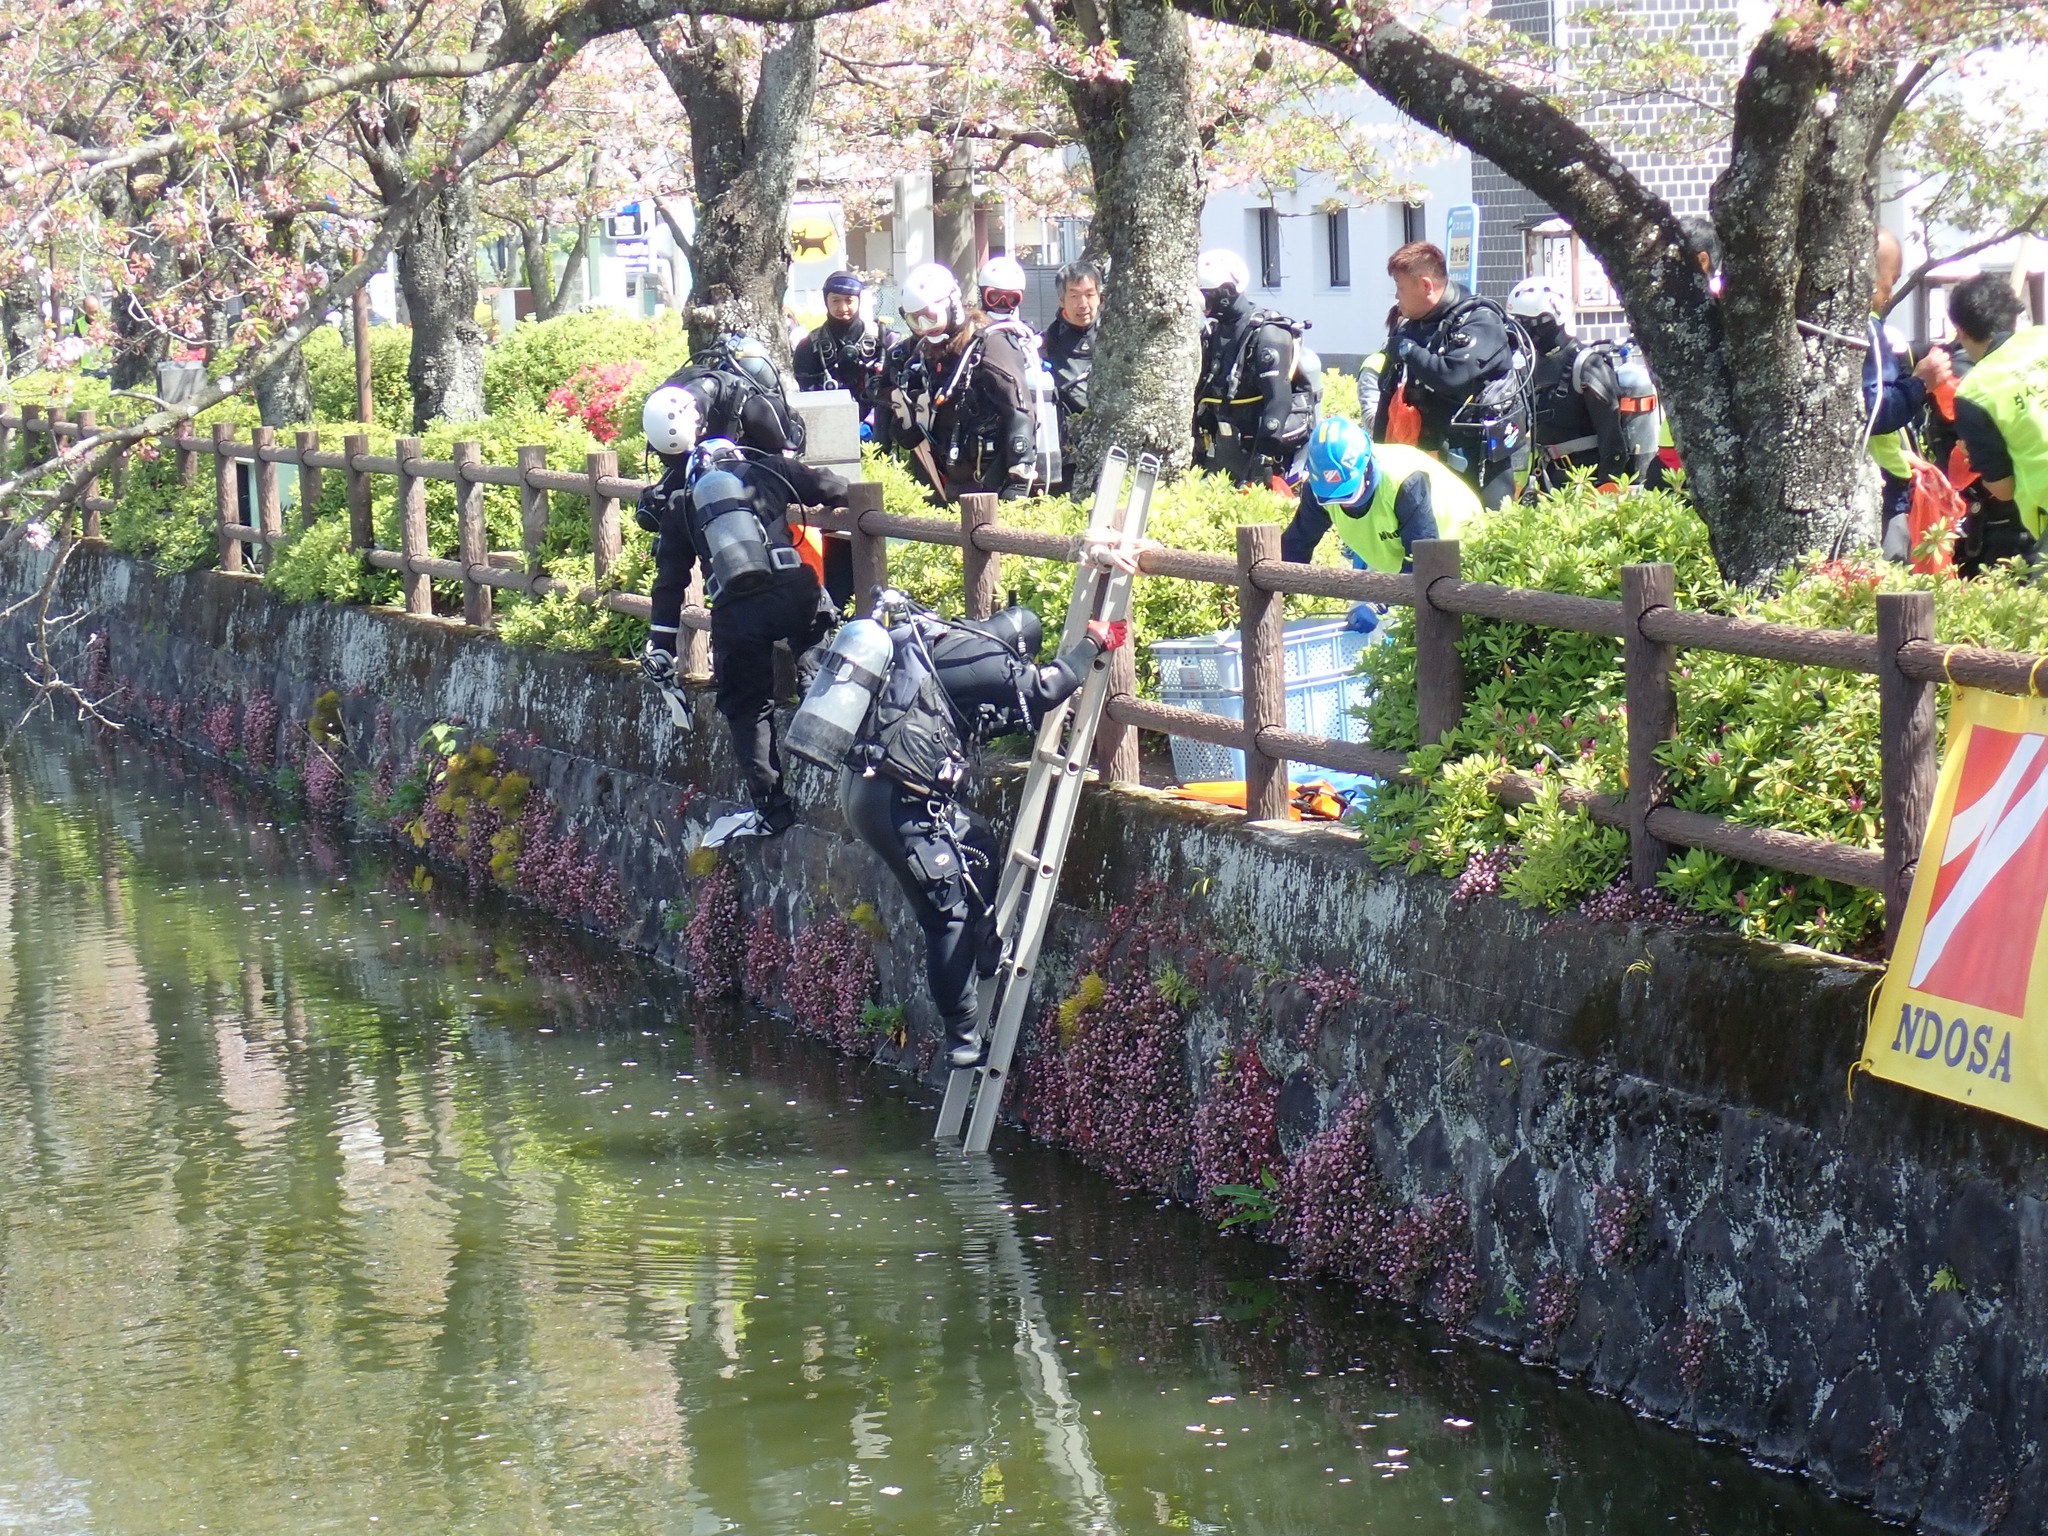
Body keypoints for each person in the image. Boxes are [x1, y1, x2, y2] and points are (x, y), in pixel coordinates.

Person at [838, 599, 1128, 1067]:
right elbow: (1046, 688)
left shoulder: (938, 643)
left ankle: (987, 945)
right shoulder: (991, 660)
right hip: (898, 804)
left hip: (865, 789)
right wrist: (1093, 642)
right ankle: (964, 1038)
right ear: (1018, 647)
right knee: (943, 917)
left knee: (979, 841)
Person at [636, 390, 846, 837]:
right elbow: (833, 487)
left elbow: (669, 583)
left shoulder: (677, 503)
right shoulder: (764, 466)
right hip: (795, 590)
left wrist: (660, 643)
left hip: (737, 612)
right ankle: (838, 748)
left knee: (748, 708)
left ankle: (773, 808)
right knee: (816, 649)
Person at [1282, 417, 1482, 637]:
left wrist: (1377, 605)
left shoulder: (1405, 482)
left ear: (1366, 468)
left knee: (1425, 637)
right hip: (1397, 557)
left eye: (1348, 492)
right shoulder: (1319, 489)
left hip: (1454, 544)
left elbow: (1423, 564)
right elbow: (1296, 544)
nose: (1342, 503)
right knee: (1366, 633)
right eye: (1332, 498)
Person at [1374, 242, 1525, 508]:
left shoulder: (1480, 321)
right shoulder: (1412, 327)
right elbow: (1387, 391)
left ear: (1426, 286)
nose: (1396, 297)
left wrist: (1409, 351)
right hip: (1425, 456)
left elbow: (1452, 375)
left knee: (1485, 529)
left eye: (1400, 288)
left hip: (1478, 460)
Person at [1917, 273, 2047, 569]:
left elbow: (2003, 489)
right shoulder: (2043, 338)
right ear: (2015, 316)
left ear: (1960, 330)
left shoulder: (1976, 390)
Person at [883, 261, 1042, 500]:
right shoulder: (922, 352)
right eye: (915, 321)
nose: (926, 327)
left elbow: (1019, 411)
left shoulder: (990, 343)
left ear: (953, 305)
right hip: (950, 481)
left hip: (993, 484)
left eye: (930, 317)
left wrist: (1017, 480)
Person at [1506, 278, 1650, 491]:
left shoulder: (1587, 364)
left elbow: (1612, 436)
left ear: (1552, 319)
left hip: (1589, 483)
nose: (1524, 331)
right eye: (1518, 322)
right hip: (1548, 479)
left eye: (1530, 323)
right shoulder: (1530, 366)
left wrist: (1606, 486)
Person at [1193, 249, 1319, 486]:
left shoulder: (1268, 335)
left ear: (1227, 291)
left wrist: (1264, 458)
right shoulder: (1212, 334)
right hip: (1224, 449)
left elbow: (1278, 400)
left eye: (1206, 293)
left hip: (1266, 454)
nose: (1202, 301)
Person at [1865, 228, 1927, 546]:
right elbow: (1879, 411)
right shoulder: (1870, 331)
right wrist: (1920, 382)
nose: (1891, 291)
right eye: (1893, 276)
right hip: (1882, 489)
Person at [649, 333, 806, 459]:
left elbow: (786, 457)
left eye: (697, 432)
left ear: (697, 420)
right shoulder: (662, 417)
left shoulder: (756, 410)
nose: (700, 434)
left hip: (761, 452)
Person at [793, 270, 896, 424]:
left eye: (849, 300)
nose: (842, 308)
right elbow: (806, 397)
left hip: (877, 426)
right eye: (835, 300)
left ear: (859, 300)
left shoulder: (883, 339)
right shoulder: (809, 346)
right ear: (826, 301)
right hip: (829, 424)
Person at [1039, 261, 1100, 484]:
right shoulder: (1045, 345)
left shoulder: (1114, 337)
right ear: (1061, 300)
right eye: (1074, 296)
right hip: (1065, 454)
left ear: (1099, 297)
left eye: (1089, 294)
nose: (1083, 304)